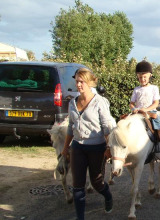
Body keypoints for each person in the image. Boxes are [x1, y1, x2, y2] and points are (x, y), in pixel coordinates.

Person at [61, 68, 116, 220]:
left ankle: (107, 195)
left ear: (90, 82)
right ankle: (80, 217)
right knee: (77, 185)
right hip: (77, 147)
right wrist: (65, 149)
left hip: (97, 148)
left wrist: (109, 148)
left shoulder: (100, 102)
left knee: (97, 182)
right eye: (77, 81)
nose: (78, 84)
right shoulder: (72, 102)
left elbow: (106, 127)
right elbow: (71, 128)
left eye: (82, 81)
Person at [130, 60, 160, 156]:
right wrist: (133, 109)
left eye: (144, 77)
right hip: (138, 113)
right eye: (140, 77)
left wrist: (146, 109)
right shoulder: (136, 89)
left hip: (150, 112)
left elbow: (156, 103)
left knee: (159, 126)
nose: (142, 79)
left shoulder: (154, 88)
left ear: (150, 76)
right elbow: (131, 103)